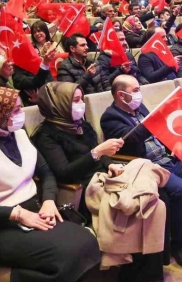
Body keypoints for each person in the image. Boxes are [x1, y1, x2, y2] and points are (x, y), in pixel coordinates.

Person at [0, 86, 101, 281]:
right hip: (1, 225)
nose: (21, 114)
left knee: (87, 240)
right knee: (68, 254)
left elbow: (47, 173)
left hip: (36, 212)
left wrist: (49, 200)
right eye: (15, 111)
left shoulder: (19, 135)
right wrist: (17, 214)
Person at [32, 82, 165, 281]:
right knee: (139, 208)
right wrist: (98, 152)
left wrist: (109, 163)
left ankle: (147, 273)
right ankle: (134, 274)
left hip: (105, 178)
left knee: (155, 202)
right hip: (82, 189)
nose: (81, 105)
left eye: (81, 99)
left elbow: (100, 155)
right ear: (58, 105)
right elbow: (64, 173)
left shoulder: (81, 125)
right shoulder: (46, 136)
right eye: (75, 101)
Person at [101, 75, 182, 271]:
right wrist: (158, 115)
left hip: (168, 160)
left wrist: (175, 144)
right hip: (148, 168)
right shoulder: (110, 117)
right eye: (135, 90)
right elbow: (133, 139)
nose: (139, 94)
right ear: (121, 94)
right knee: (181, 190)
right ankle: (178, 243)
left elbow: (160, 132)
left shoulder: (140, 108)